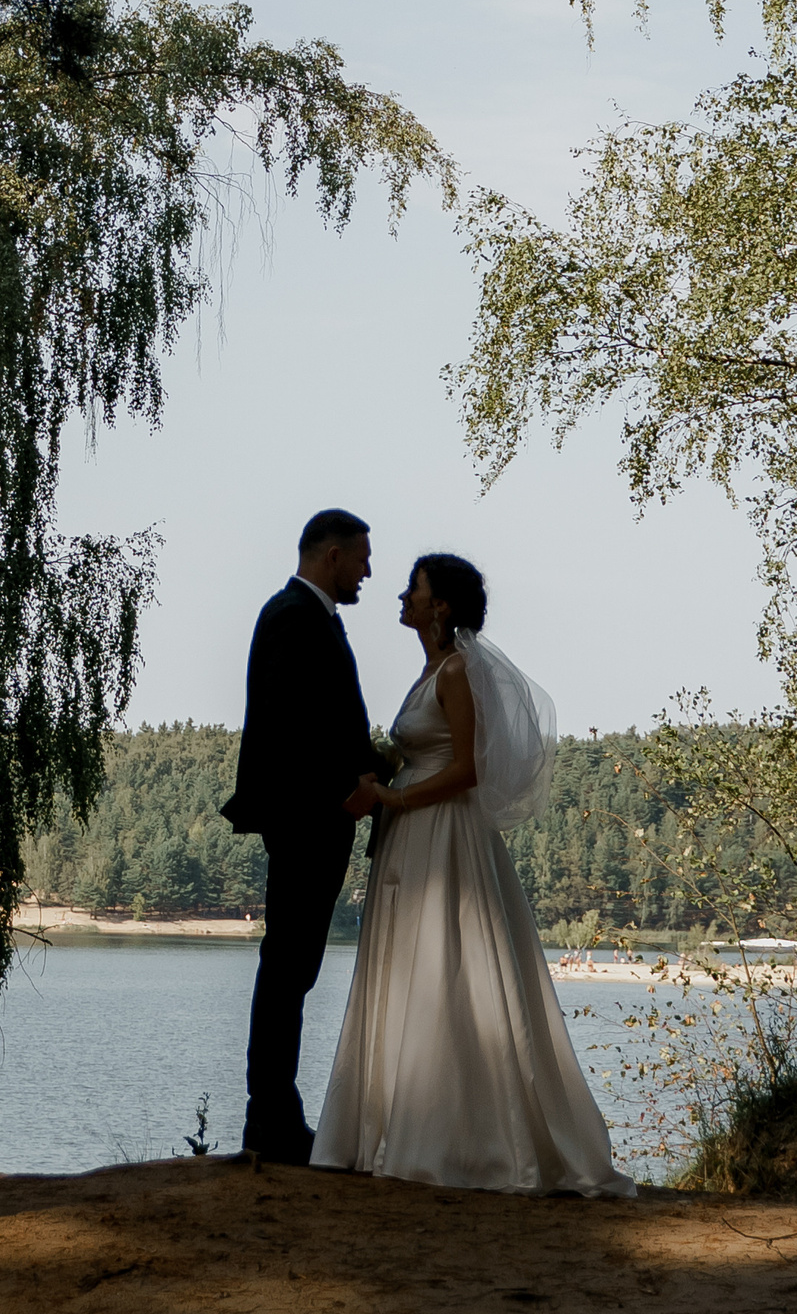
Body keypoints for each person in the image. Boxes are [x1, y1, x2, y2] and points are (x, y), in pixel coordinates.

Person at [311, 552, 636, 1195]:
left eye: (414, 589)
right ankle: (398, 1127)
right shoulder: (431, 670)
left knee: (448, 964)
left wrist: (396, 796)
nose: (402, 597)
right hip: (410, 831)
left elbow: (468, 769)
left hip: (442, 830)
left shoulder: (457, 670)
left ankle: (463, 1142)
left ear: (441, 605)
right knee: (413, 966)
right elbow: (426, 750)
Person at [222, 508, 387, 1162]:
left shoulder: (303, 615)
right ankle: (272, 1122)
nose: (368, 571)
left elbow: (323, 722)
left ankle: (274, 1117)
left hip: (313, 818)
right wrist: (345, 793)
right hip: (307, 820)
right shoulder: (294, 616)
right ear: (332, 555)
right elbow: (291, 726)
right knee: (288, 967)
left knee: (293, 968)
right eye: (362, 558)